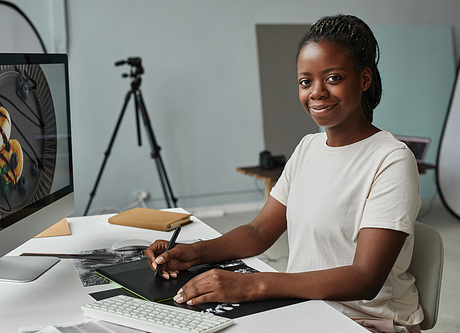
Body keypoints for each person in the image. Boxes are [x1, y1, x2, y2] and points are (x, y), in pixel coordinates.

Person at [146, 14, 423, 333]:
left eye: (333, 78)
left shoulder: (391, 159)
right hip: (305, 309)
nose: (316, 92)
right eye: (306, 82)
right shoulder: (308, 147)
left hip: (365, 321)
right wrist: (192, 253)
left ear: (364, 80)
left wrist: (253, 286)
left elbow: (365, 278)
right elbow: (259, 231)